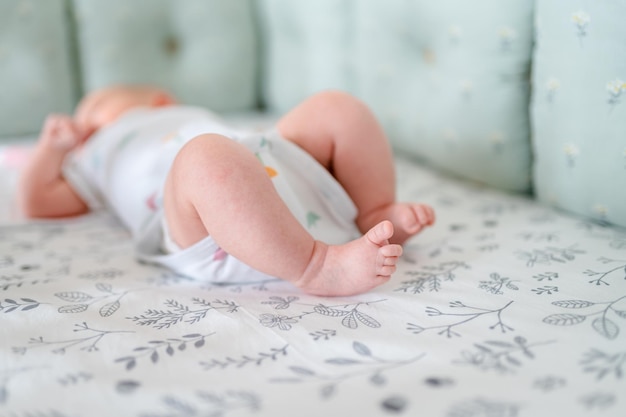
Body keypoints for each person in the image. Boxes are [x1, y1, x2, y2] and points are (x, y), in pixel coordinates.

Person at [18, 85, 435, 296]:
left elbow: (246, 153)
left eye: (97, 112)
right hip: (208, 223)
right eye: (85, 126)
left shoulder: (172, 113)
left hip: (268, 166)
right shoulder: (92, 161)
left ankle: (374, 211)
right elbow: (37, 202)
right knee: (203, 157)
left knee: (335, 108)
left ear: (159, 101)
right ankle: (317, 266)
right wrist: (50, 150)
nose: (86, 125)